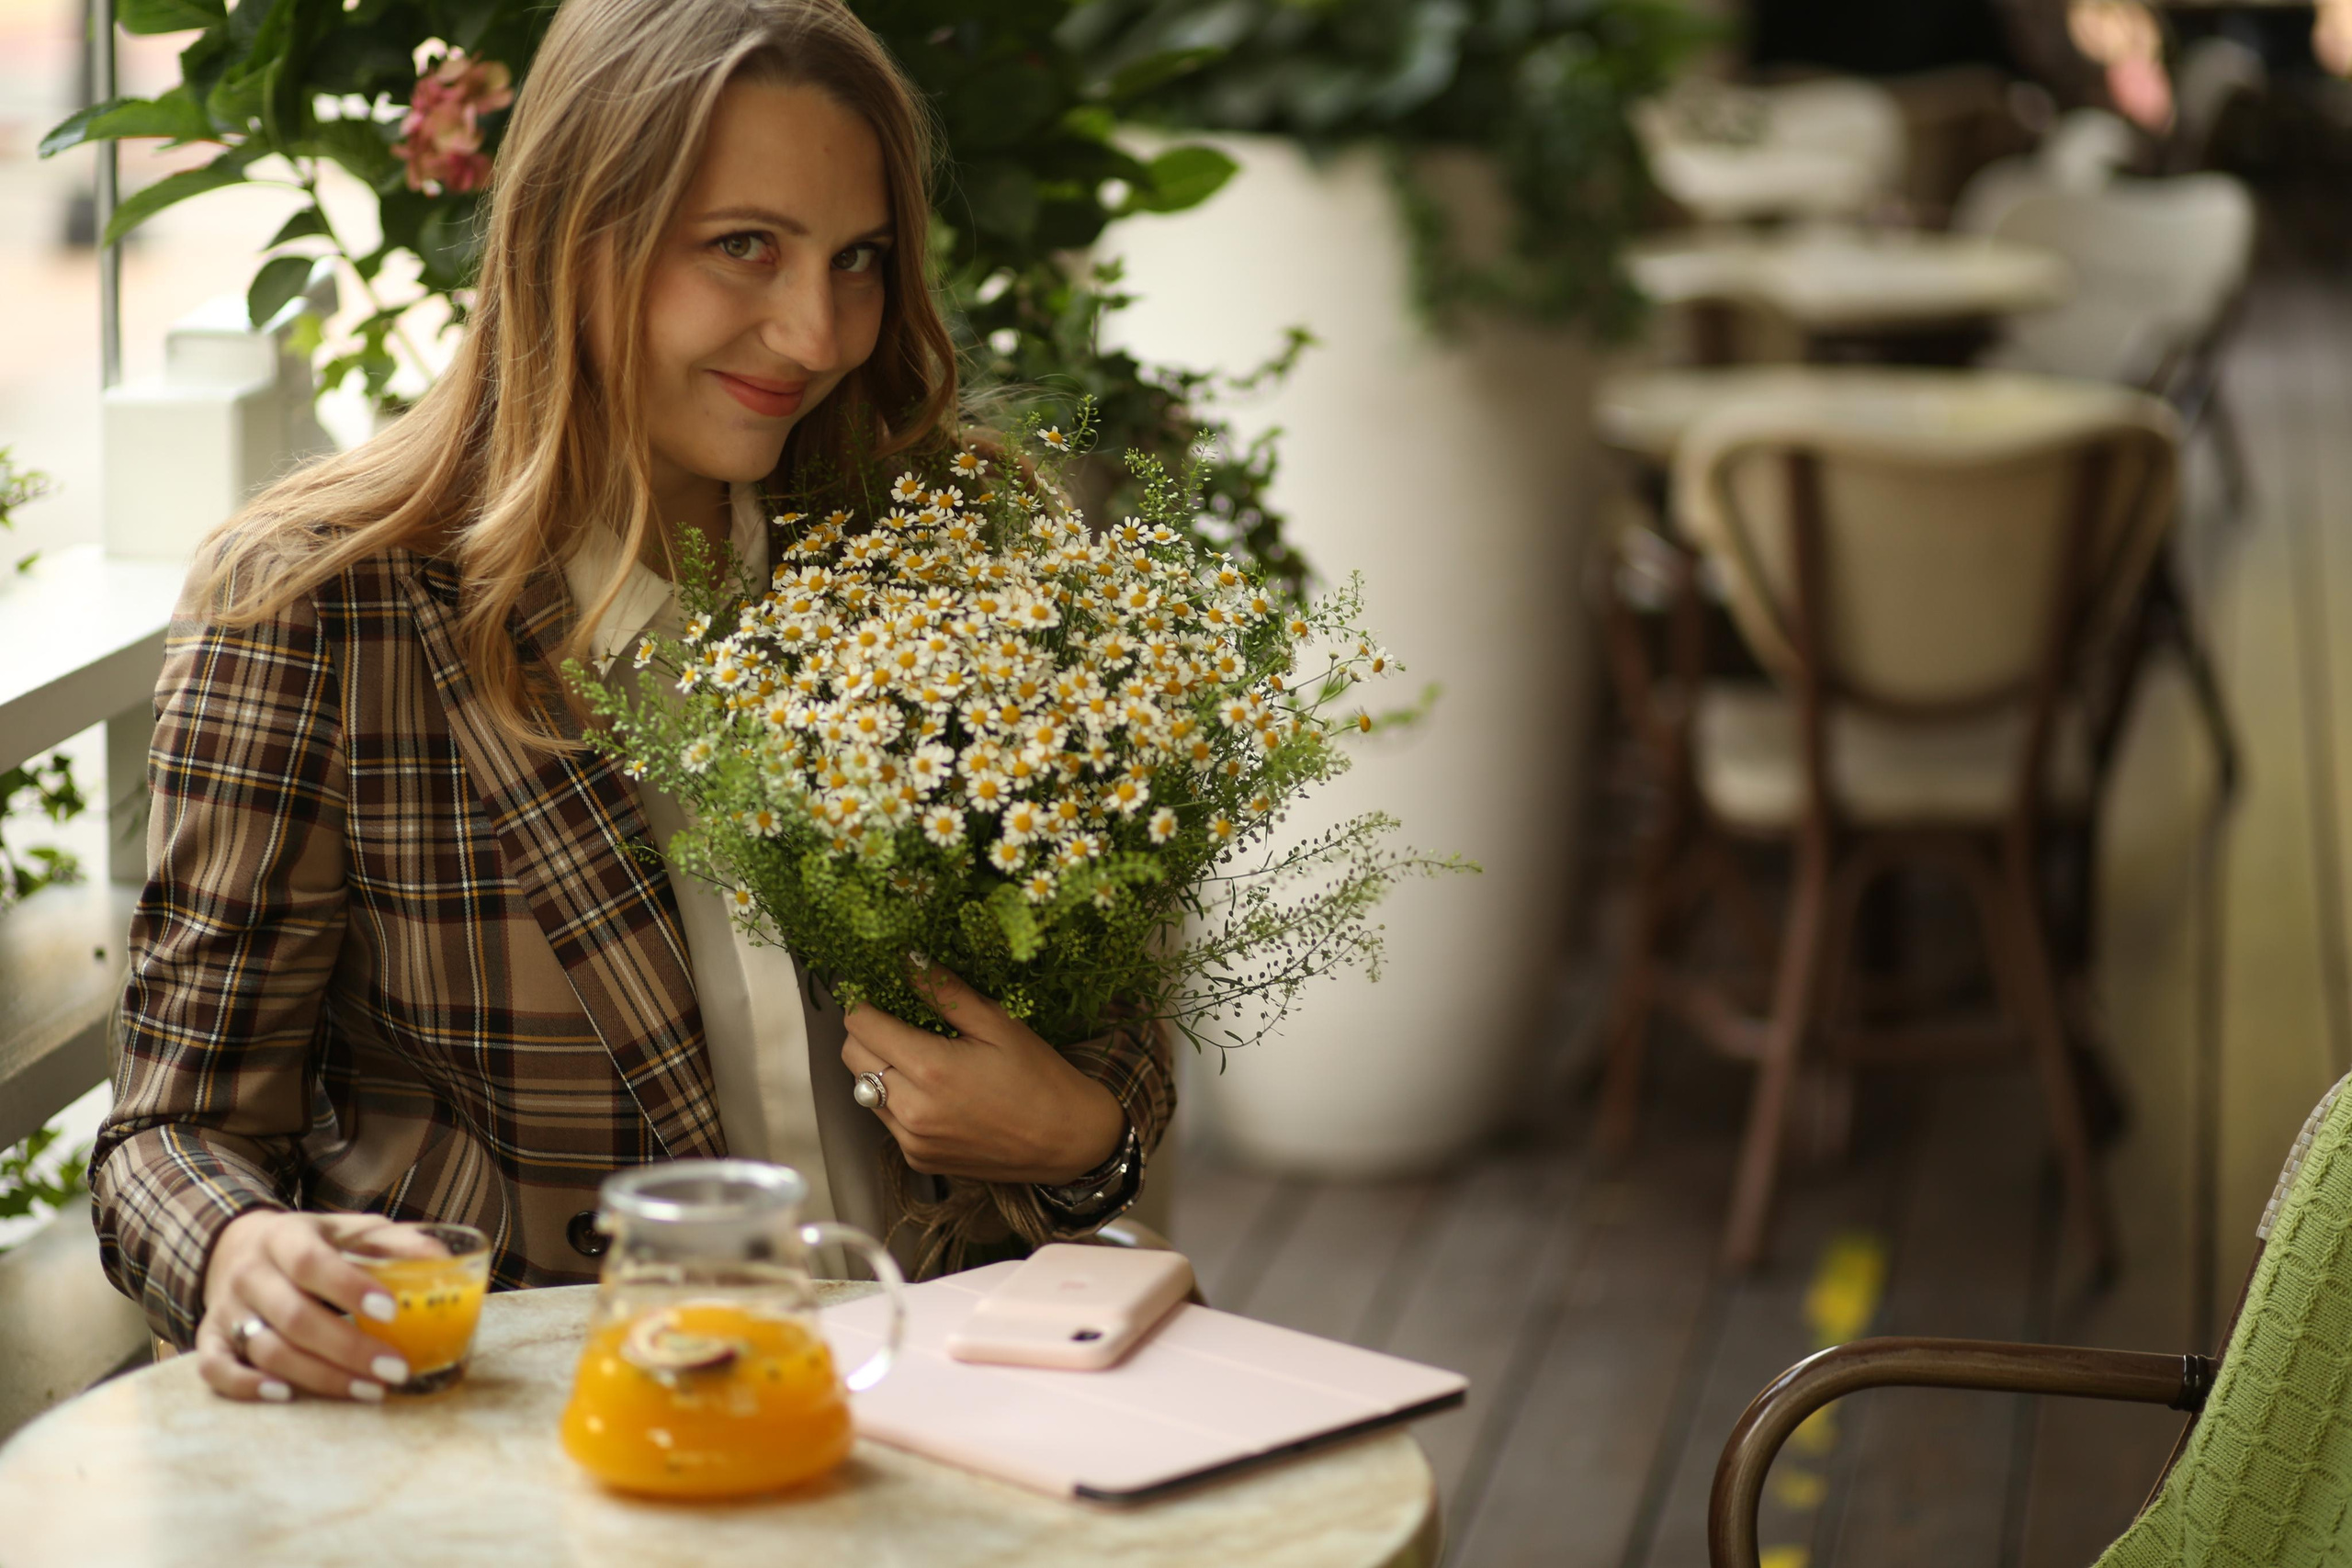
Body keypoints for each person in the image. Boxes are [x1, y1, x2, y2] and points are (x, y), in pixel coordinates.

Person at [89, 0, 1172, 1405]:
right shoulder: (321, 605)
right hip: (552, 1455)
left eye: (859, 260)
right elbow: (169, 1138)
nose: (819, 331)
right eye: (744, 248)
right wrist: (240, 1252)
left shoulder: (952, 555)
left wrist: (1090, 1137)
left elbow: (1110, 1050)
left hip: (956, 1415)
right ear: (572, 231)